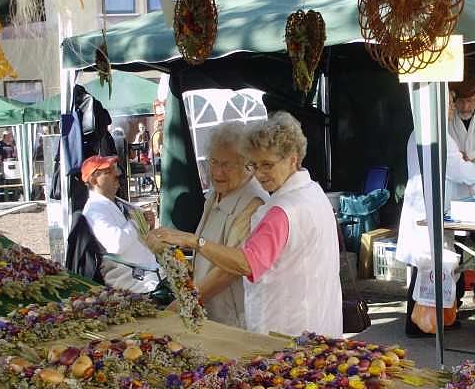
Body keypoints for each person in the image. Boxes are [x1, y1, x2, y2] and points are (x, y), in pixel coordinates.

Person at [155, 111, 343, 338]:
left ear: (293, 159)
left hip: (285, 332)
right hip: (314, 324)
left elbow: (248, 264)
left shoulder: (281, 210)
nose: (260, 174)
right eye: (254, 165)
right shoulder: (313, 191)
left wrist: (193, 241)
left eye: (267, 164)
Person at [397, 90, 475, 337]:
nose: (452, 107)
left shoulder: (425, 133)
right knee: (427, 267)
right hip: (427, 208)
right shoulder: (436, 135)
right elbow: (459, 171)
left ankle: (438, 318)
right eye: (448, 103)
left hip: (428, 206)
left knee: (429, 265)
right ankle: (418, 324)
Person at [191, 123, 268, 327]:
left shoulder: (253, 202)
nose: (218, 172)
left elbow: (228, 270)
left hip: (234, 317)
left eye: (227, 165)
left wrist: (186, 302)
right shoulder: (214, 194)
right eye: (214, 162)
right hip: (209, 310)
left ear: (247, 165)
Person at [80, 155, 166, 293]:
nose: (117, 174)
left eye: (115, 170)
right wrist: (137, 222)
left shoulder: (117, 202)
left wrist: (148, 225)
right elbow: (116, 244)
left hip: (150, 273)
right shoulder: (94, 209)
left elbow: (136, 236)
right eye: (109, 172)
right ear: (93, 180)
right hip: (135, 282)